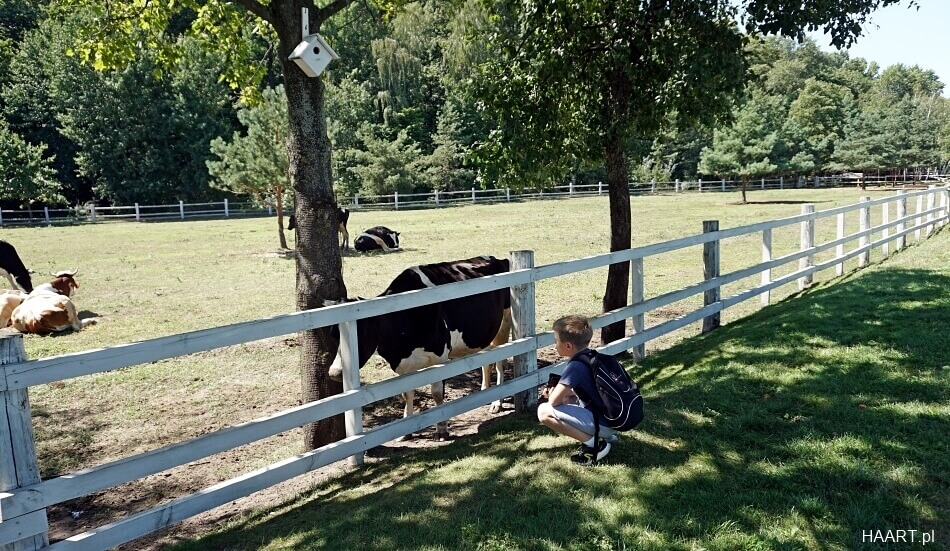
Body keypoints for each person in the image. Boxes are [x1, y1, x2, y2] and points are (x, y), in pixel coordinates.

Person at [537, 314, 619, 465]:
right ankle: (608, 437)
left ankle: (593, 444)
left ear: (568, 346)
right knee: (568, 399)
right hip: (612, 421)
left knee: (543, 411)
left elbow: (554, 402)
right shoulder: (592, 356)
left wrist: (551, 395)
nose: (555, 346)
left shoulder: (575, 366)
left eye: (556, 341)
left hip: (603, 424)